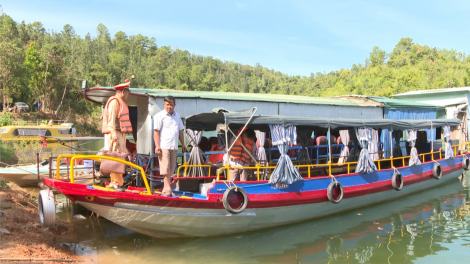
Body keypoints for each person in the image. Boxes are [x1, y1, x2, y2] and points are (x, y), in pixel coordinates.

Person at [153, 96, 186, 196]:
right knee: (165, 167)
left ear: (174, 105)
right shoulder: (160, 116)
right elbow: (156, 132)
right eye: (167, 104)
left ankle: (165, 188)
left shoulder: (177, 116)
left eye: (171, 105)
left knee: (171, 169)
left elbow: (180, 131)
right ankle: (167, 188)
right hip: (164, 146)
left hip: (174, 146)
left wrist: (183, 144)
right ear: (164, 105)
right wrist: (157, 145)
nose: (169, 107)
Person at [103, 79, 132, 191]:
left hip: (121, 133)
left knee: (120, 157)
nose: (128, 94)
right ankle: (114, 182)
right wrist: (114, 134)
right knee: (115, 157)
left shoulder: (120, 102)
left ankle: (119, 181)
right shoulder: (115, 101)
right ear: (123, 92)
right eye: (128, 92)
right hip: (115, 133)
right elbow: (111, 120)